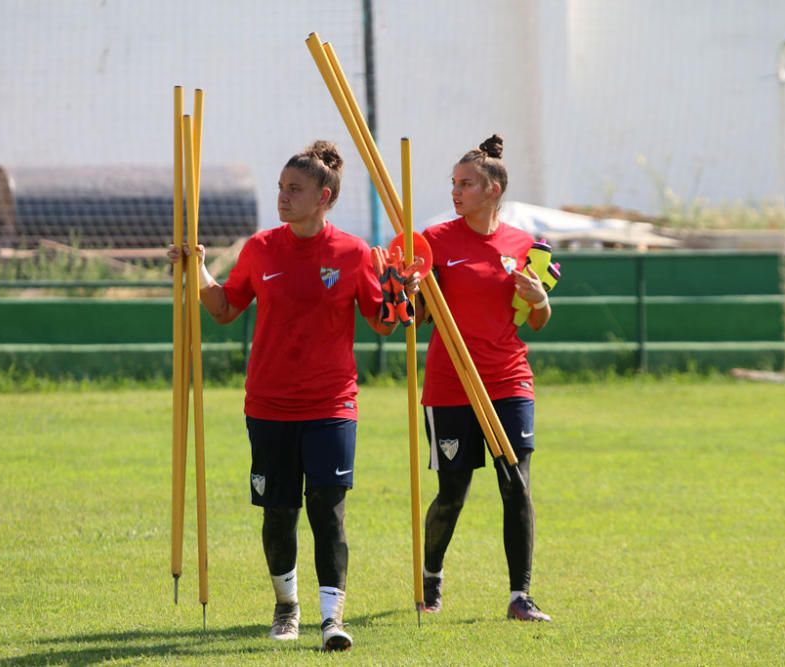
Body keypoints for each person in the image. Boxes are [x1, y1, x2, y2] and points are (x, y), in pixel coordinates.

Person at [170, 140, 415, 651]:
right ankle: (287, 605)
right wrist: (196, 269)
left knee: (328, 508)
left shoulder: (352, 253)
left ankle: (332, 619)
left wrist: (401, 295)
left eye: (294, 189)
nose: (283, 197)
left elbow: (385, 324)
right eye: (281, 188)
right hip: (269, 404)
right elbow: (224, 308)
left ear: (323, 196)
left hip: (332, 405)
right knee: (279, 512)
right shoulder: (260, 247)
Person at [418, 134, 553, 622]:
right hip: (450, 384)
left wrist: (540, 299)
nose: (456, 192)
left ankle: (521, 596)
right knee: (453, 492)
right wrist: (409, 287)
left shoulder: (526, 246)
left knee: (515, 484)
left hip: (508, 380)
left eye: (467, 184)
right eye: (454, 184)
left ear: (494, 189)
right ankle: (430, 576)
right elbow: (416, 319)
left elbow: (533, 320)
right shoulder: (432, 242)